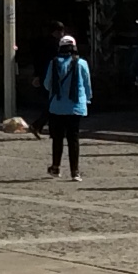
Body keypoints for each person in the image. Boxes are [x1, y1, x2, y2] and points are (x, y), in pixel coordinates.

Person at [40, 32, 92, 177]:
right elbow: (87, 85)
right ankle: (75, 171)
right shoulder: (82, 63)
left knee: (57, 138)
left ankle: (55, 167)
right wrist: (87, 99)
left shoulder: (54, 63)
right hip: (75, 106)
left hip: (57, 107)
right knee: (73, 139)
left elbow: (46, 84)